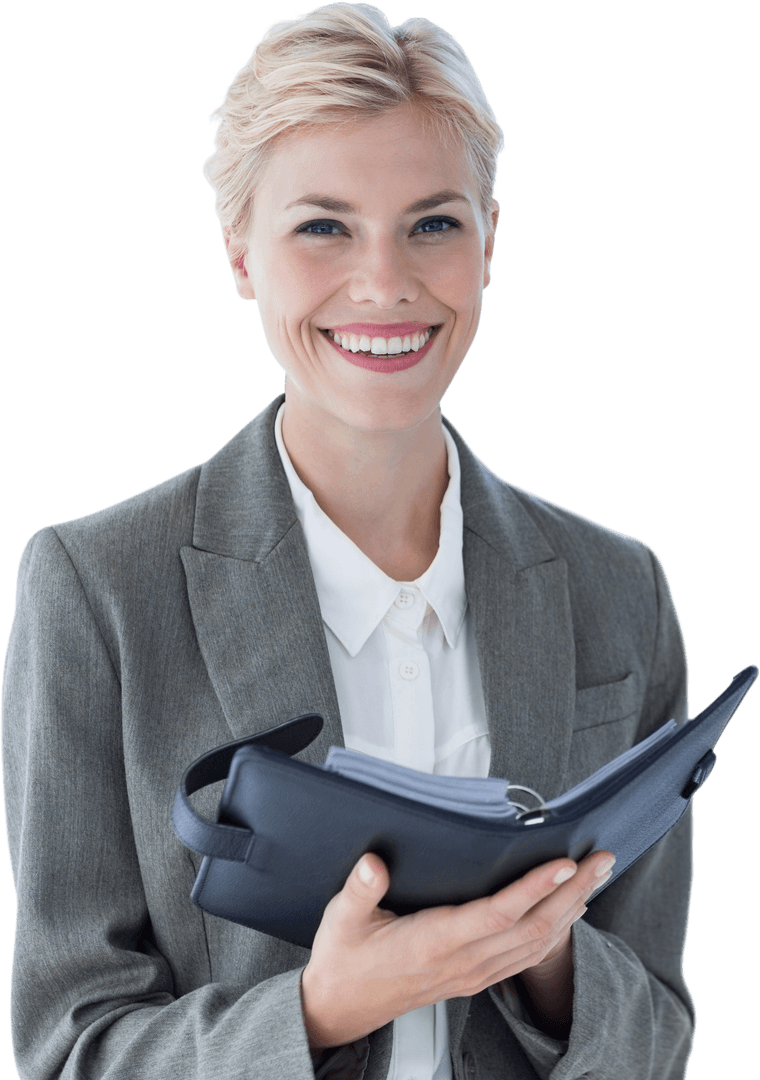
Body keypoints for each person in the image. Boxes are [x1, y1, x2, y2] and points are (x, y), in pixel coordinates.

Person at [1, 4, 695, 1078]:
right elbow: (66, 1048)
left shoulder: (622, 590)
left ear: (490, 241)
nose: (384, 283)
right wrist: (322, 1009)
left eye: (433, 224)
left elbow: (660, 1028)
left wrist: (547, 962)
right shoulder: (95, 591)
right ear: (240, 251)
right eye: (322, 226)